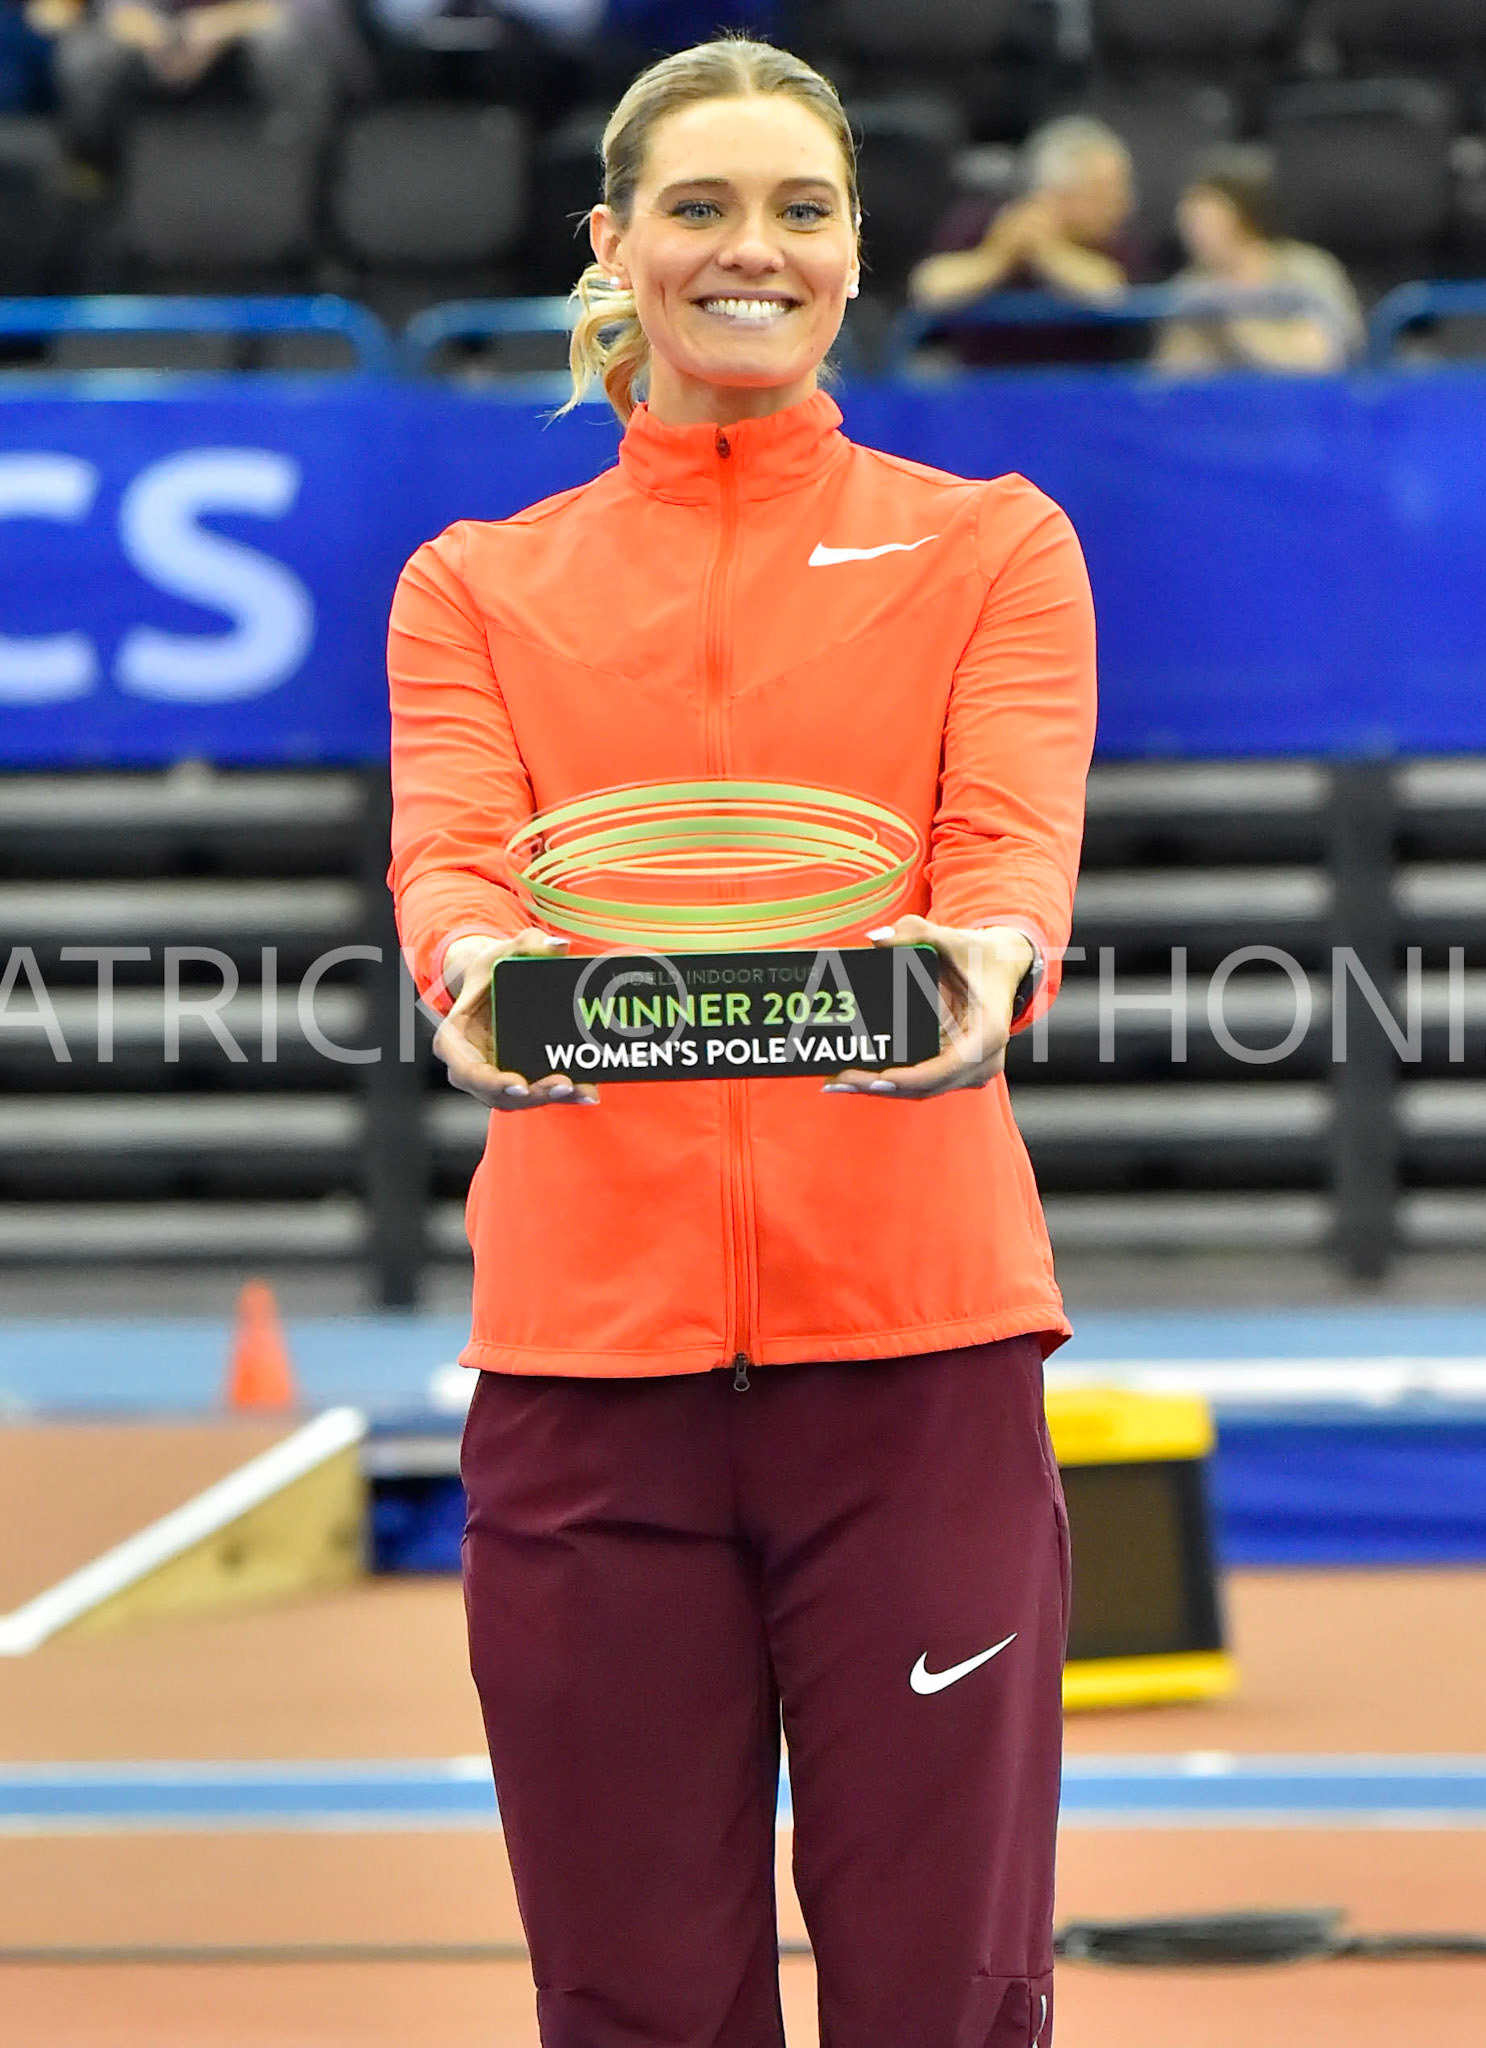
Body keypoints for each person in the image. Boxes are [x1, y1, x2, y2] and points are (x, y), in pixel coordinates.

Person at [387, 34, 1095, 2048]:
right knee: (631, 2000)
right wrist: (467, 990)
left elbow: (1000, 861)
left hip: (918, 1359)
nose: (747, 251)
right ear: (614, 243)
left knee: (939, 1994)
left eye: (797, 210)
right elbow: (450, 868)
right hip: (585, 1373)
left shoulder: (990, 546)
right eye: (698, 208)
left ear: (856, 253)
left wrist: (974, 974)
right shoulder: (474, 585)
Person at [908, 113, 1150, 365]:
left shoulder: (1122, 241)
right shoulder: (983, 223)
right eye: (1102, 191)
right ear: (1055, 193)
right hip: (984, 385)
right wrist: (998, 257)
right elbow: (929, 288)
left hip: (1086, 387)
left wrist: (1047, 251)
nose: (1121, 202)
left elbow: (1112, 295)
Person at [32, 0, 362, 162]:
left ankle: (305, 183)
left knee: (284, 39)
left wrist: (225, 23)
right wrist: (131, 24)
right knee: (86, 56)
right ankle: (92, 176)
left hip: (239, 49)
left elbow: (318, 11)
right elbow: (52, 16)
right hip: (153, 48)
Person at [1155, 146, 1364, 374]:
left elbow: (1315, 363)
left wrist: (1236, 323)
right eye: (1189, 221)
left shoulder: (1306, 270)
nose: (1193, 233)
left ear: (1243, 217)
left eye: (1206, 220)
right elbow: (1171, 377)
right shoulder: (1191, 287)